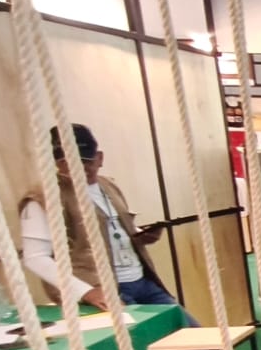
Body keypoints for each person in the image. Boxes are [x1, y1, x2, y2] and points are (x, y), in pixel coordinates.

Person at [19, 124, 196, 324]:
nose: (79, 167)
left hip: (142, 281)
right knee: (142, 340)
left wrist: (139, 234)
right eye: (68, 162)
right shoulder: (43, 197)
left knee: (191, 330)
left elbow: (110, 229)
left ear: (99, 158)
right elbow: (35, 258)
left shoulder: (108, 185)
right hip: (100, 291)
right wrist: (86, 292)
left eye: (86, 161)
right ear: (58, 163)